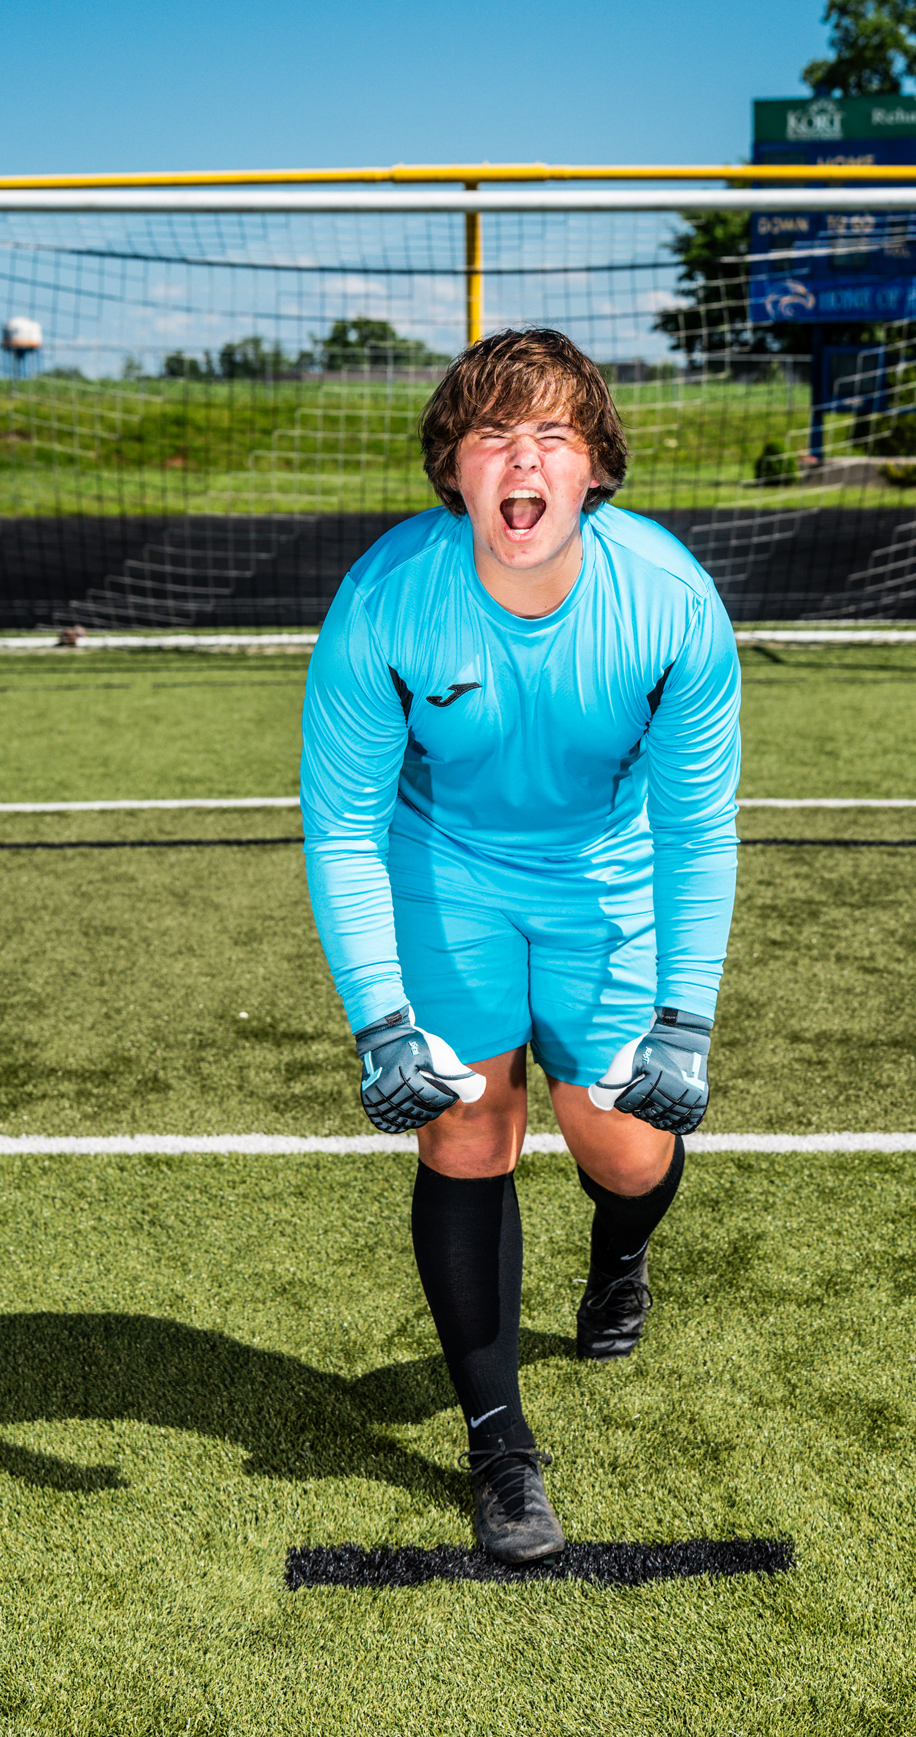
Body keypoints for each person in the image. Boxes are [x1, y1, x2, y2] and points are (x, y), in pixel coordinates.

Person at [302, 328, 740, 1563]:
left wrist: (687, 1016)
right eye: (492, 433)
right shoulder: (387, 598)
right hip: (446, 872)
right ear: (454, 468)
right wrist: (379, 1017)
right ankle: (500, 1446)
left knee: (624, 1144)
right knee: (465, 1127)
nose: (523, 457)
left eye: (553, 432)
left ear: (596, 467)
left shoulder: (668, 602)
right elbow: (342, 823)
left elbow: (697, 827)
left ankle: (620, 1255)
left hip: (609, 876)